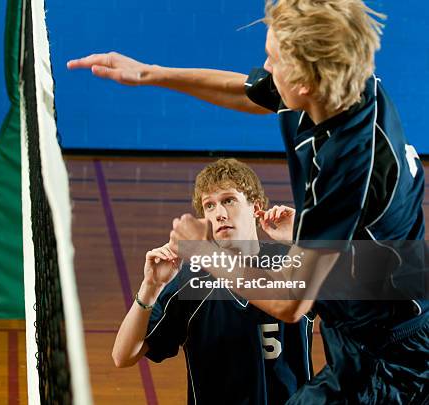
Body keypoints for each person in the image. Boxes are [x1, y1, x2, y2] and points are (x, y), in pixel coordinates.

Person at [69, 1, 429, 403]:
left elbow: (290, 302)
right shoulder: (346, 86)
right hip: (361, 322)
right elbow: (248, 91)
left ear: (306, 81)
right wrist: (149, 74)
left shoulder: (348, 165)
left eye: (273, 59)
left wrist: (204, 250)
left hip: (393, 357)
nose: (265, 67)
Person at [112, 158, 312, 405]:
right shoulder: (190, 280)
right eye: (209, 206)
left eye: (228, 200)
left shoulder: (291, 261)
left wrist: (302, 238)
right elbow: (123, 356)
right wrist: (150, 287)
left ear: (255, 206)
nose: (219, 214)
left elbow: (364, 298)